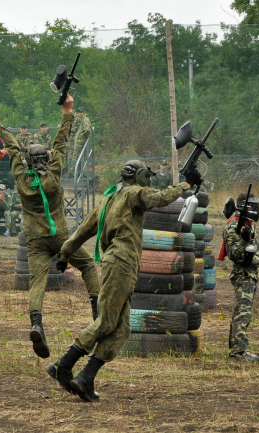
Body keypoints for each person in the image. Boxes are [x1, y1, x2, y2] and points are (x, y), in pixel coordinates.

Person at [46, 159, 197, 402]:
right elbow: (160, 198)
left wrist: (65, 253)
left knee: (122, 328)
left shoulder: (108, 198)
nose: (149, 181)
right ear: (139, 176)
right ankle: (62, 365)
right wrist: (185, 184)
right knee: (106, 322)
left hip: (119, 263)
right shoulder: (134, 193)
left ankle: (86, 377)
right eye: (147, 177)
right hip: (121, 262)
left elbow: (84, 228)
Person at [0, 94, 101, 360]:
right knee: (88, 266)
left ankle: (37, 324)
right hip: (60, 236)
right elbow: (61, 141)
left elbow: (12, 146)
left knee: (37, 282)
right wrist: (67, 112)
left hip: (35, 239)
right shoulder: (54, 171)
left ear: (27, 160)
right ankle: (97, 314)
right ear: (47, 159)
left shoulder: (21, 177)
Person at [220, 192, 259, 362]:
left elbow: (252, 249)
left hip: (250, 274)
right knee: (242, 314)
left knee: (243, 313)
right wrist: (244, 240)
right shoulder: (233, 226)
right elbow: (234, 254)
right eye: (254, 206)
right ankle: (239, 351)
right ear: (244, 207)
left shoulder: (247, 224)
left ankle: (236, 349)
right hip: (242, 274)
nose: (257, 209)